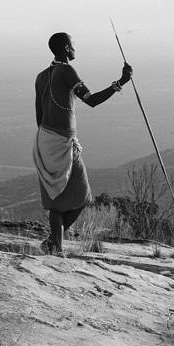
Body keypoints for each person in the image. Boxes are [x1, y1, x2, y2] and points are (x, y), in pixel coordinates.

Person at [33, 32, 131, 254]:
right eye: (73, 45)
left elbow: (38, 117)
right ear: (67, 48)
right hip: (63, 142)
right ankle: (53, 243)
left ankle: (54, 245)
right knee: (83, 196)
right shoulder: (67, 70)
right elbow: (92, 100)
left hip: (44, 141)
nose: (75, 48)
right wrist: (121, 82)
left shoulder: (40, 76)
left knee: (55, 197)